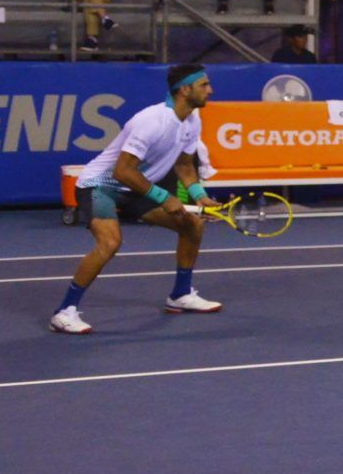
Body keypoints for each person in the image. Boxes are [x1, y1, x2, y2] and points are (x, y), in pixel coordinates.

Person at [51, 65, 225, 334]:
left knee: (192, 225)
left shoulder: (192, 121)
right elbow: (122, 171)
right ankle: (64, 311)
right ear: (184, 89)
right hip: (100, 186)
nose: (210, 90)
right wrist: (163, 197)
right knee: (110, 243)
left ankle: (180, 295)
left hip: (136, 188)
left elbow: (184, 165)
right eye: (204, 85)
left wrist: (199, 196)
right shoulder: (152, 121)